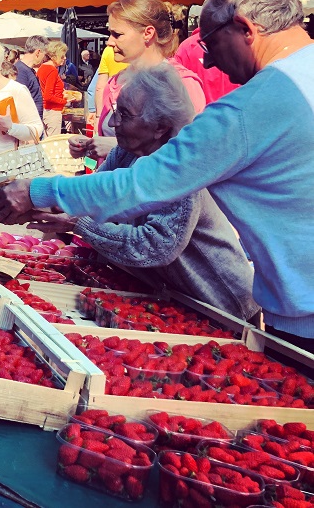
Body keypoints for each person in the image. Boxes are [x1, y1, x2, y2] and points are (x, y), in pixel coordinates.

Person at [0, 0, 314, 350]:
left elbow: (145, 183)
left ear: (243, 28)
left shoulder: (251, 107)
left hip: (302, 312)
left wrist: (39, 191)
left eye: (208, 43)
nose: (207, 61)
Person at [24, 65, 258, 320]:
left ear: (160, 127)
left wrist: (77, 222)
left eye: (125, 115)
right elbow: (95, 201)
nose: (113, 123)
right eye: (116, 112)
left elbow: (153, 247)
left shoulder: (180, 171)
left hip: (222, 307)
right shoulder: (125, 153)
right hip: (175, 300)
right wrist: (41, 201)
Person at [69, 0, 205, 164]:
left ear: (148, 33)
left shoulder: (181, 83)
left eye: (117, 34)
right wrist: (88, 147)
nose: (109, 42)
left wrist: (116, 148)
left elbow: (192, 153)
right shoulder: (115, 81)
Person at [172, 28, 239, 103]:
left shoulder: (186, 48)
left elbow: (176, 91)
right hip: (235, 111)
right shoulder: (241, 44)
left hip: (200, 112)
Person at [36, 40, 74, 136]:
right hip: (52, 111)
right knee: (52, 143)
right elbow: (48, 96)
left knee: (46, 142)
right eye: (62, 56)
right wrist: (65, 101)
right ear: (54, 56)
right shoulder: (52, 70)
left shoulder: (42, 67)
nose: (64, 58)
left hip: (45, 110)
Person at [15, 36, 47, 121]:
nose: (44, 59)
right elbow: (19, 101)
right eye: (45, 55)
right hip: (28, 124)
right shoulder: (20, 71)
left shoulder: (26, 70)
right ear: (38, 52)